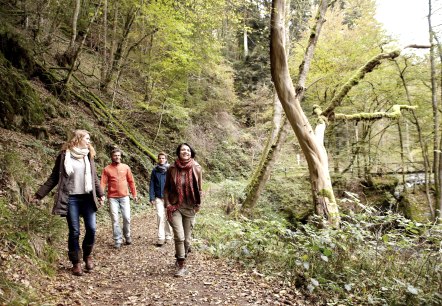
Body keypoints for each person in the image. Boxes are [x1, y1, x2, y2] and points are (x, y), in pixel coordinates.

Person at [33, 129, 105, 276]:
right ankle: (76, 262)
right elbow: (53, 178)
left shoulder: (88, 155)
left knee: (91, 229)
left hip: (87, 198)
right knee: (74, 231)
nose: (89, 141)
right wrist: (38, 195)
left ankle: (87, 255)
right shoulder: (64, 156)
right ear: (77, 139)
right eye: (87, 138)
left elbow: (94, 177)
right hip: (70, 198)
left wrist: (100, 194)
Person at [164, 143, 202, 277]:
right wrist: (167, 204)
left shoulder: (197, 168)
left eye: (187, 150)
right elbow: (167, 188)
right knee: (179, 237)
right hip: (175, 206)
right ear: (178, 152)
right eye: (182, 150)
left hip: (190, 207)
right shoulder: (172, 168)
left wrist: (198, 204)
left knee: (187, 240)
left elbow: (199, 189)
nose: (185, 152)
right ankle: (181, 265)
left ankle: (181, 255)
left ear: (191, 152)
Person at [100, 148, 138, 249]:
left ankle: (127, 235)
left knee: (126, 217)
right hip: (112, 198)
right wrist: (101, 195)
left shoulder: (126, 167)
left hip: (124, 196)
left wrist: (134, 194)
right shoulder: (107, 169)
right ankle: (117, 239)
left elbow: (131, 181)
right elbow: (103, 183)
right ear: (111, 157)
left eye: (118, 155)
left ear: (121, 156)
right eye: (115, 155)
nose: (117, 157)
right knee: (115, 219)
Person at [149, 152, 173, 247]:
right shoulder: (155, 171)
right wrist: (151, 197)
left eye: (163, 158)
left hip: (169, 198)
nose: (161, 159)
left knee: (167, 217)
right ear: (158, 159)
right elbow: (151, 184)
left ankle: (168, 236)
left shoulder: (170, 170)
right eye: (160, 158)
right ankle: (160, 238)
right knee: (160, 216)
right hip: (158, 197)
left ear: (166, 159)